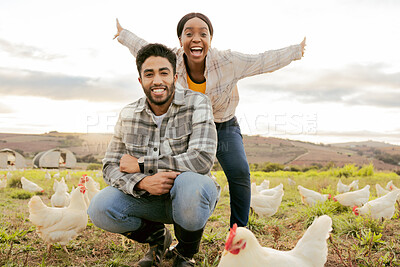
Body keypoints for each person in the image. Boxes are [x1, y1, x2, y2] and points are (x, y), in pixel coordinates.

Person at [114, 13, 306, 228]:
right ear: (180, 41)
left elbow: (261, 61)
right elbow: (144, 48)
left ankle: (238, 232)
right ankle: (179, 231)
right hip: (187, 127)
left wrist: (296, 51)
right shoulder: (172, 60)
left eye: (203, 34)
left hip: (223, 125)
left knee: (240, 172)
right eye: (189, 34)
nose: (196, 38)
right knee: (182, 176)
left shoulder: (228, 61)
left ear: (210, 40)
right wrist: (123, 35)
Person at [87, 43, 220, 267]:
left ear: (175, 77)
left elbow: (202, 159)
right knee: (99, 208)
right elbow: (110, 165)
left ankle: (185, 253)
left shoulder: (198, 103)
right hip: (147, 199)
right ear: (140, 81)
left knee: (189, 184)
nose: (157, 80)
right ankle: (158, 238)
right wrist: (143, 182)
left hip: (190, 198)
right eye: (149, 74)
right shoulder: (128, 113)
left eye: (163, 72)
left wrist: (142, 165)